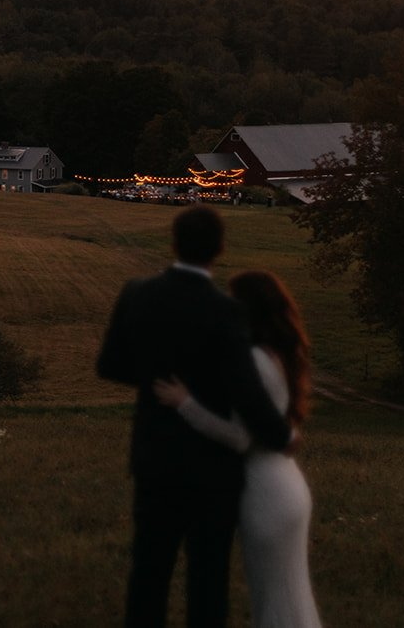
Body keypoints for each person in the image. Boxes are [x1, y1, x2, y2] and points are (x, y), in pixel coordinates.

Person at [97, 205, 294, 628]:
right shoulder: (226, 312)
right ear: (219, 249)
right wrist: (281, 434)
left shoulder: (137, 293)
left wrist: (156, 380)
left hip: (154, 456)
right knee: (208, 580)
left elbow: (109, 365)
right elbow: (246, 390)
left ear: (174, 242)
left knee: (149, 572)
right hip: (212, 468)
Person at [154, 271, 323, 628]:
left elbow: (240, 438)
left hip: (264, 493)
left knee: (273, 603)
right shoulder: (277, 355)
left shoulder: (254, 362)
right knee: (292, 597)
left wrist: (185, 403)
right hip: (286, 485)